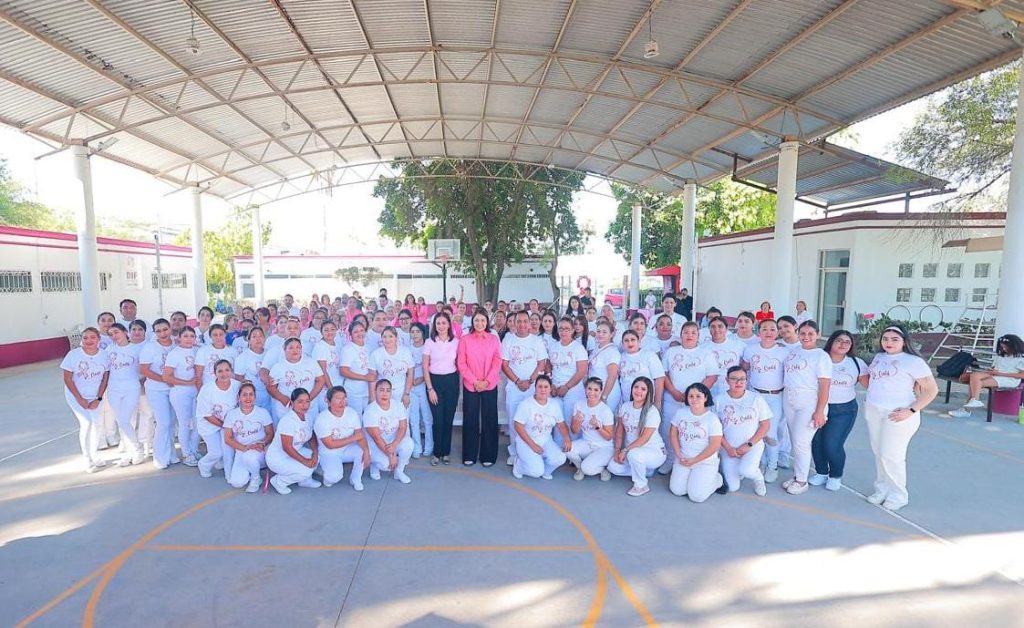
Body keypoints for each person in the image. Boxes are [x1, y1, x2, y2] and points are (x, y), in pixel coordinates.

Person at [863, 324, 938, 511]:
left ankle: (898, 495)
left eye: (895, 339)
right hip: (874, 410)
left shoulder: (913, 361)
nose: (889, 342)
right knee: (879, 452)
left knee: (891, 455)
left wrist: (911, 410)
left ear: (904, 341)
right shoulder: (879, 357)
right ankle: (882, 489)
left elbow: (931, 390)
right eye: (885, 339)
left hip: (899, 414)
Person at [810, 330, 868, 490]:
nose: (843, 344)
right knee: (816, 442)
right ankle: (821, 472)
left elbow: (871, 385)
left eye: (847, 342)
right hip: (818, 407)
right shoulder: (819, 358)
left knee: (832, 444)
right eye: (839, 340)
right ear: (831, 341)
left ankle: (835, 475)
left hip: (843, 410)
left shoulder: (856, 363)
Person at [780, 321, 832, 495]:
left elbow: (825, 385)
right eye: (802, 333)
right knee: (795, 439)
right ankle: (797, 475)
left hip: (809, 400)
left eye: (810, 333)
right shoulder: (794, 351)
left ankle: (802, 481)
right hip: (789, 397)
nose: (806, 337)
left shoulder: (821, 356)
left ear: (818, 334)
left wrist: (819, 411)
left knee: (801, 441)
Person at [660, 321, 716, 470]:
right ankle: (670, 459)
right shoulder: (671, 352)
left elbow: (712, 376)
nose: (689, 335)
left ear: (698, 336)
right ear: (681, 335)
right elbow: (663, 374)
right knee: (669, 429)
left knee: (692, 431)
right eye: (686, 332)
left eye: (693, 332)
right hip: (673, 399)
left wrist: (696, 396)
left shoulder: (705, 353)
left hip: (697, 402)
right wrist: (674, 392)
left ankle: (693, 460)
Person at [740, 318, 789, 482]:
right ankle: (759, 462)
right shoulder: (750, 350)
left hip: (774, 397)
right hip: (755, 395)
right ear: (758, 332)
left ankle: (772, 465)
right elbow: (744, 369)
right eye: (764, 329)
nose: (768, 332)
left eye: (772, 329)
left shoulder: (784, 352)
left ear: (777, 332)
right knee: (753, 431)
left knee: (770, 433)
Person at [502, 311, 549, 467]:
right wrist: (517, 381)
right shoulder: (508, 340)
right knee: (513, 420)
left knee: (532, 421)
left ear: (529, 323)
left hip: (532, 388)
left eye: (524, 321)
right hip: (514, 388)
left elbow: (541, 363)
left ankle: (531, 451)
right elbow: (504, 364)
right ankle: (514, 452)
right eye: (519, 321)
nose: (522, 324)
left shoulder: (537, 341)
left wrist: (530, 381)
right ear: (514, 323)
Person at [607, 377, 667, 496]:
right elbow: (619, 431)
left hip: (654, 452)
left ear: (648, 392)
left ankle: (641, 485)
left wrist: (625, 450)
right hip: (633, 452)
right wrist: (617, 450)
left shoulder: (652, 411)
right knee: (612, 467)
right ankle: (645, 470)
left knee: (634, 454)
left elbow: (644, 438)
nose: (638, 391)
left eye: (643, 389)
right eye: (636, 387)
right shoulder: (625, 406)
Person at [61, 327, 110, 473]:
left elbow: (105, 379)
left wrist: (98, 398)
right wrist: (79, 399)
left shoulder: (105, 355)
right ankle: (87, 460)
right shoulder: (73, 355)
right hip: (75, 395)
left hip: (95, 396)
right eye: (85, 338)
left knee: (97, 425)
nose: (89, 341)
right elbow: (67, 378)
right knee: (87, 423)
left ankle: (94, 455)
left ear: (99, 339)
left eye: (92, 337)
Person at [457, 310, 503, 466]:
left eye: (483, 320)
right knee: (470, 419)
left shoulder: (493, 339)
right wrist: (475, 381)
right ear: (472, 321)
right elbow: (461, 363)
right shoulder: (465, 340)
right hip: (471, 385)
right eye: (477, 320)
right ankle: (469, 454)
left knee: (489, 419)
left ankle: (488, 455)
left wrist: (487, 381)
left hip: (490, 385)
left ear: (487, 322)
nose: (479, 323)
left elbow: (497, 361)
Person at [716, 366, 770, 496]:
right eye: (734, 379)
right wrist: (728, 448)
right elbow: (716, 429)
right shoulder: (719, 400)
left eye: (742, 379)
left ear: (747, 380)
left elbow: (765, 425)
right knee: (733, 487)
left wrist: (749, 444)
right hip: (729, 448)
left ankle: (758, 477)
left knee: (747, 471)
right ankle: (740, 469)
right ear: (727, 380)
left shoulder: (756, 399)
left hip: (752, 445)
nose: (738, 382)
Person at [668, 383, 725, 502]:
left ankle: (717, 479)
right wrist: (679, 455)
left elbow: (715, 445)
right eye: (691, 396)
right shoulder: (681, 413)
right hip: (683, 458)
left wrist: (695, 460)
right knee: (677, 490)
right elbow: (673, 433)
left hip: (704, 461)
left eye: (698, 396)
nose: (694, 399)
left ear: (706, 398)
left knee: (696, 497)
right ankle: (693, 479)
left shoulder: (712, 419)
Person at [511, 375, 572, 480]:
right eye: (540, 387)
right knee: (536, 472)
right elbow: (518, 425)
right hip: (526, 441)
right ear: (535, 388)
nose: (543, 390)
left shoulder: (554, 404)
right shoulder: (526, 404)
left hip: (545, 440)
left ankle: (545, 471)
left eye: (546, 387)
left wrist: (567, 439)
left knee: (560, 458)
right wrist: (533, 445)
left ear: (550, 389)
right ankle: (518, 466)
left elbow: (561, 424)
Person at [950, 334, 1024, 418]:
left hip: (1010, 379)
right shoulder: (1002, 355)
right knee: (974, 376)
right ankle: (974, 401)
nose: (1004, 349)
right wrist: (990, 371)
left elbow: (1022, 375)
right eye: (1002, 347)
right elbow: (996, 368)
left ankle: (967, 409)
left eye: (1006, 347)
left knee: (977, 382)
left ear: (1014, 346)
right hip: (996, 375)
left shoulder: (1021, 358)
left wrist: (1000, 374)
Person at [104, 323, 145, 466]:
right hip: (113, 389)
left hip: (131, 388)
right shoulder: (108, 350)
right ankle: (129, 452)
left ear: (125, 331)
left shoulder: (137, 349)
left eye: (116, 332)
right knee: (123, 422)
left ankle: (138, 448)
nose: (114, 336)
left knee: (123, 420)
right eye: (111, 334)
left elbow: (144, 369)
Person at [314, 386, 370, 491]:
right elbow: (330, 445)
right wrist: (353, 438)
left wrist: (366, 451)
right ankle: (322, 470)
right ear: (329, 401)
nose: (342, 402)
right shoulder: (322, 419)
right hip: (329, 452)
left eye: (344, 398)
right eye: (338, 398)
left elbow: (360, 436)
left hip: (347, 449)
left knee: (363, 451)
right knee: (333, 478)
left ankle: (356, 479)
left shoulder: (352, 413)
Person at [266, 388, 320, 494]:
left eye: (307, 401)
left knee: (316, 458)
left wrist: (315, 452)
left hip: (296, 450)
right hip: (278, 458)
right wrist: (305, 461)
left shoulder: (308, 416)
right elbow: (287, 448)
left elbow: (311, 436)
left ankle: (305, 481)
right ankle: (279, 481)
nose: (304, 405)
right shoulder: (288, 421)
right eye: (300, 402)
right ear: (292, 403)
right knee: (305, 470)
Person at [141, 318, 179, 469]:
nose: (162, 333)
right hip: (156, 389)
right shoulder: (150, 347)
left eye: (165, 329)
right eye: (158, 331)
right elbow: (144, 370)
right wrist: (165, 380)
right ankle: (159, 457)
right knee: (163, 423)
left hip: (174, 389)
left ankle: (171, 454)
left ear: (170, 328)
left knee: (171, 423)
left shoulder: (177, 344)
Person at [223, 382, 274, 493]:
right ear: (239, 397)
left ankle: (256, 478)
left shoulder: (262, 412)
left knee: (250, 458)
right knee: (237, 483)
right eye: (244, 395)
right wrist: (244, 448)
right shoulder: (231, 414)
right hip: (242, 449)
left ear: (255, 397)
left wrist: (262, 443)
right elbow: (228, 438)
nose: (248, 398)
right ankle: (252, 470)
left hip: (260, 450)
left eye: (251, 394)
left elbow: (270, 433)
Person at [424, 312, 460, 466]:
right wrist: (430, 388)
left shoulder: (456, 342)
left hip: (451, 381)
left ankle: (446, 452)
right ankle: (437, 452)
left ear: (449, 324)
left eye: (444, 323)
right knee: (437, 419)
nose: (441, 326)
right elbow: (425, 366)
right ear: (434, 325)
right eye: (438, 323)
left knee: (448, 419)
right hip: (435, 382)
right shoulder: (429, 342)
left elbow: (460, 363)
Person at [195, 359, 241, 479]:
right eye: (220, 371)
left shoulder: (237, 386)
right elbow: (206, 415)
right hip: (209, 425)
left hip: (227, 425)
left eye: (227, 370)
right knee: (217, 452)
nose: (224, 374)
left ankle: (229, 475)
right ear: (214, 373)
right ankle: (204, 465)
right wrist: (225, 426)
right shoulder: (207, 389)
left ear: (231, 371)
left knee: (228, 450)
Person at [363, 379, 414, 483]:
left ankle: (399, 472)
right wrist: (391, 456)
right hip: (375, 444)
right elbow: (377, 438)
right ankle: (374, 465)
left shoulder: (398, 405)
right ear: (375, 391)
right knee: (387, 465)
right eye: (381, 390)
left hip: (392, 441)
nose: (384, 394)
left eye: (388, 390)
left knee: (409, 443)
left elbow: (403, 427)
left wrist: (394, 445)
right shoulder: (370, 410)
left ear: (391, 392)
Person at [163, 327, 201, 467]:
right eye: (185, 336)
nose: (189, 339)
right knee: (184, 424)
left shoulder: (198, 351)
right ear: (179, 337)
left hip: (196, 392)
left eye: (191, 336)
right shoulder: (174, 353)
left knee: (197, 423)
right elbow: (166, 376)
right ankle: (186, 453)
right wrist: (187, 383)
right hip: (180, 392)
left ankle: (194, 449)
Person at [268, 338, 326, 425]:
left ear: (302, 349)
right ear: (284, 350)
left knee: (310, 429)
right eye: (291, 348)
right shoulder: (278, 367)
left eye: (298, 347)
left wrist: (308, 399)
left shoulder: (311, 363)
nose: (295, 350)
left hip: (309, 407)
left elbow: (321, 380)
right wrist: (284, 399)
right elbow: (271, 387)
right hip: (287, 409)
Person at [566, 377, 615, 481]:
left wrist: (597, 427)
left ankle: (601, 469)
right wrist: (577, 421)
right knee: (568, 449)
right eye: (589, 389)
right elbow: (574, 431)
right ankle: (580, 468)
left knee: (588, 469)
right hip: (587, 443)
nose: (592, 393)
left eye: (596, 390)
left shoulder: (605, 410)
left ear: (601, 391)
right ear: (585, 389)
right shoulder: (579, 405)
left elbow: (609, 437)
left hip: (604, 447)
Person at [549, 317, 589, 427]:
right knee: (557, 423)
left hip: (573, 391)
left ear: (572, 330)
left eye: (567, 329)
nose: (563, 331)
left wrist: (567, 387)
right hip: (556, 390)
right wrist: (551, 385)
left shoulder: (578, 348)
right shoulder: (553, 346)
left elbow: (581, 371)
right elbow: (550, 367)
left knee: (571, 421)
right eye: (561, 328)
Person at [618, 330, 666, 412]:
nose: (630, 343)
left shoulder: (649, 355)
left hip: (647, 402)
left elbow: (659, 378)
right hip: (627, 403)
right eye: (626, 340)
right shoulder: (620, 357)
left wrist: (657, 402)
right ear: (622, 344)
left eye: (633, 339)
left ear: (639, 342)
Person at [369, 327, 415, 409]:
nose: (387, 339)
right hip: (383, 393)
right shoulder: (375, 354)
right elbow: (372, 378)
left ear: (396, 338)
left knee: (402, 415)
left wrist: (406, 394)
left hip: (401, 391)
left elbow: (410, 374)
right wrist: (373, 398)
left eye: (391, 336)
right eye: (384, 337)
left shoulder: (405, 352)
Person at [407, 323, 434, 458]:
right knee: (414, 419)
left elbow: (432, 367)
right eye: (412, 332)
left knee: (427, 419)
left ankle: (429, 446)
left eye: (417, 331)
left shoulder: (427, 348)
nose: (415, 334)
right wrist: (410, 380)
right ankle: (416, 447)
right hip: (411, 387)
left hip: (424, 387)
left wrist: (422, 379)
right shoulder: (406, 349)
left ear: (423, 333)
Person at [702, 317, 744, 399]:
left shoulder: (738, 345)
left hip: (731, 388)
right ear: (709, 329)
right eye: (713, 327)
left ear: (726, 328)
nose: (716, 329)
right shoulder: (702, 347)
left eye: (720, 326)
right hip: (709, 388)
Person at [340, 321, 374, 414]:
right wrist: (364, 377)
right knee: (356, 418)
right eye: (355, 332)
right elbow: (343, 371)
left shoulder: (369, 347)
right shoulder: (348, 349)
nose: (359, 334)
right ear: (350, 334)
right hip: (354, 392)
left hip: (368, 391)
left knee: (368, 417)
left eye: (362, 330)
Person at [234, 327, 271, 411]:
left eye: (260, 336)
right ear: (249, 340)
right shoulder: (242, 357)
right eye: (254, 336)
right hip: (252, 398)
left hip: (270, 396)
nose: (258, 339)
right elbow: (239, 379)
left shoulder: (269, 354)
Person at [589, 320, 621, 410]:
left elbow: (612, 376)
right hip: (596, 390)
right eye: (598, 331)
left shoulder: (612, 351)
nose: (600, 334)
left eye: (604, 332)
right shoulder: (597, 348)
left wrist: (604, 396)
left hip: (608, 392)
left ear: (611, 334)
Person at [313, 320, 345, 412]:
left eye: (332, 329)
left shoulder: (339, 345)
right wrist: (332, 390)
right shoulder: (320, 346)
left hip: (339, 385)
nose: (330, 332)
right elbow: (322, 371)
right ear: (321, 332)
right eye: (326, 330)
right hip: (327, 388)